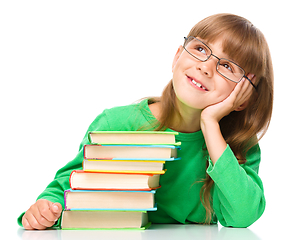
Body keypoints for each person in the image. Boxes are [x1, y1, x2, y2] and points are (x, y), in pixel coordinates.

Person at [18, 13, 273, 229]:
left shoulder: (234, 146)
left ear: (244, 97)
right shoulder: (117, 123)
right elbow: (69, 186)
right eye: (200, 49)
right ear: (177, 57)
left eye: (227, 66)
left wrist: (210, 125)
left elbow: (241, 216)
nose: (205, 67)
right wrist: (46, 209)